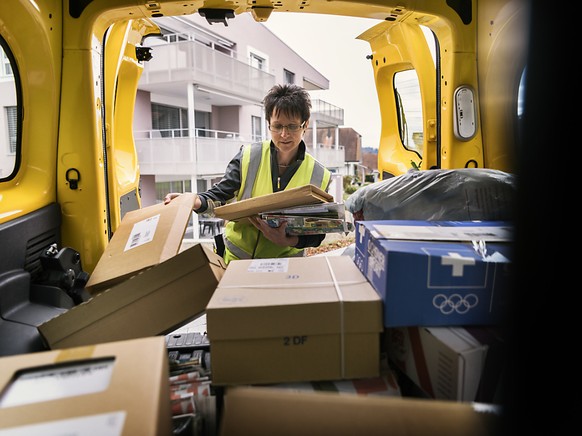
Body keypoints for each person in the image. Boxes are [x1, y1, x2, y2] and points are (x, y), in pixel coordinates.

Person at [164, 84, 332, 264]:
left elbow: (317, 232)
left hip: (285, 267)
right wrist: (193, 200)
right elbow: (220, 194)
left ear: (305, 125)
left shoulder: (319, 175)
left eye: (292, 126)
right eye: (277, 126)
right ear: (268, 124)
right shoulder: (249, 157)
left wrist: (290, 241)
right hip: (237, 263)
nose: (284, 134)